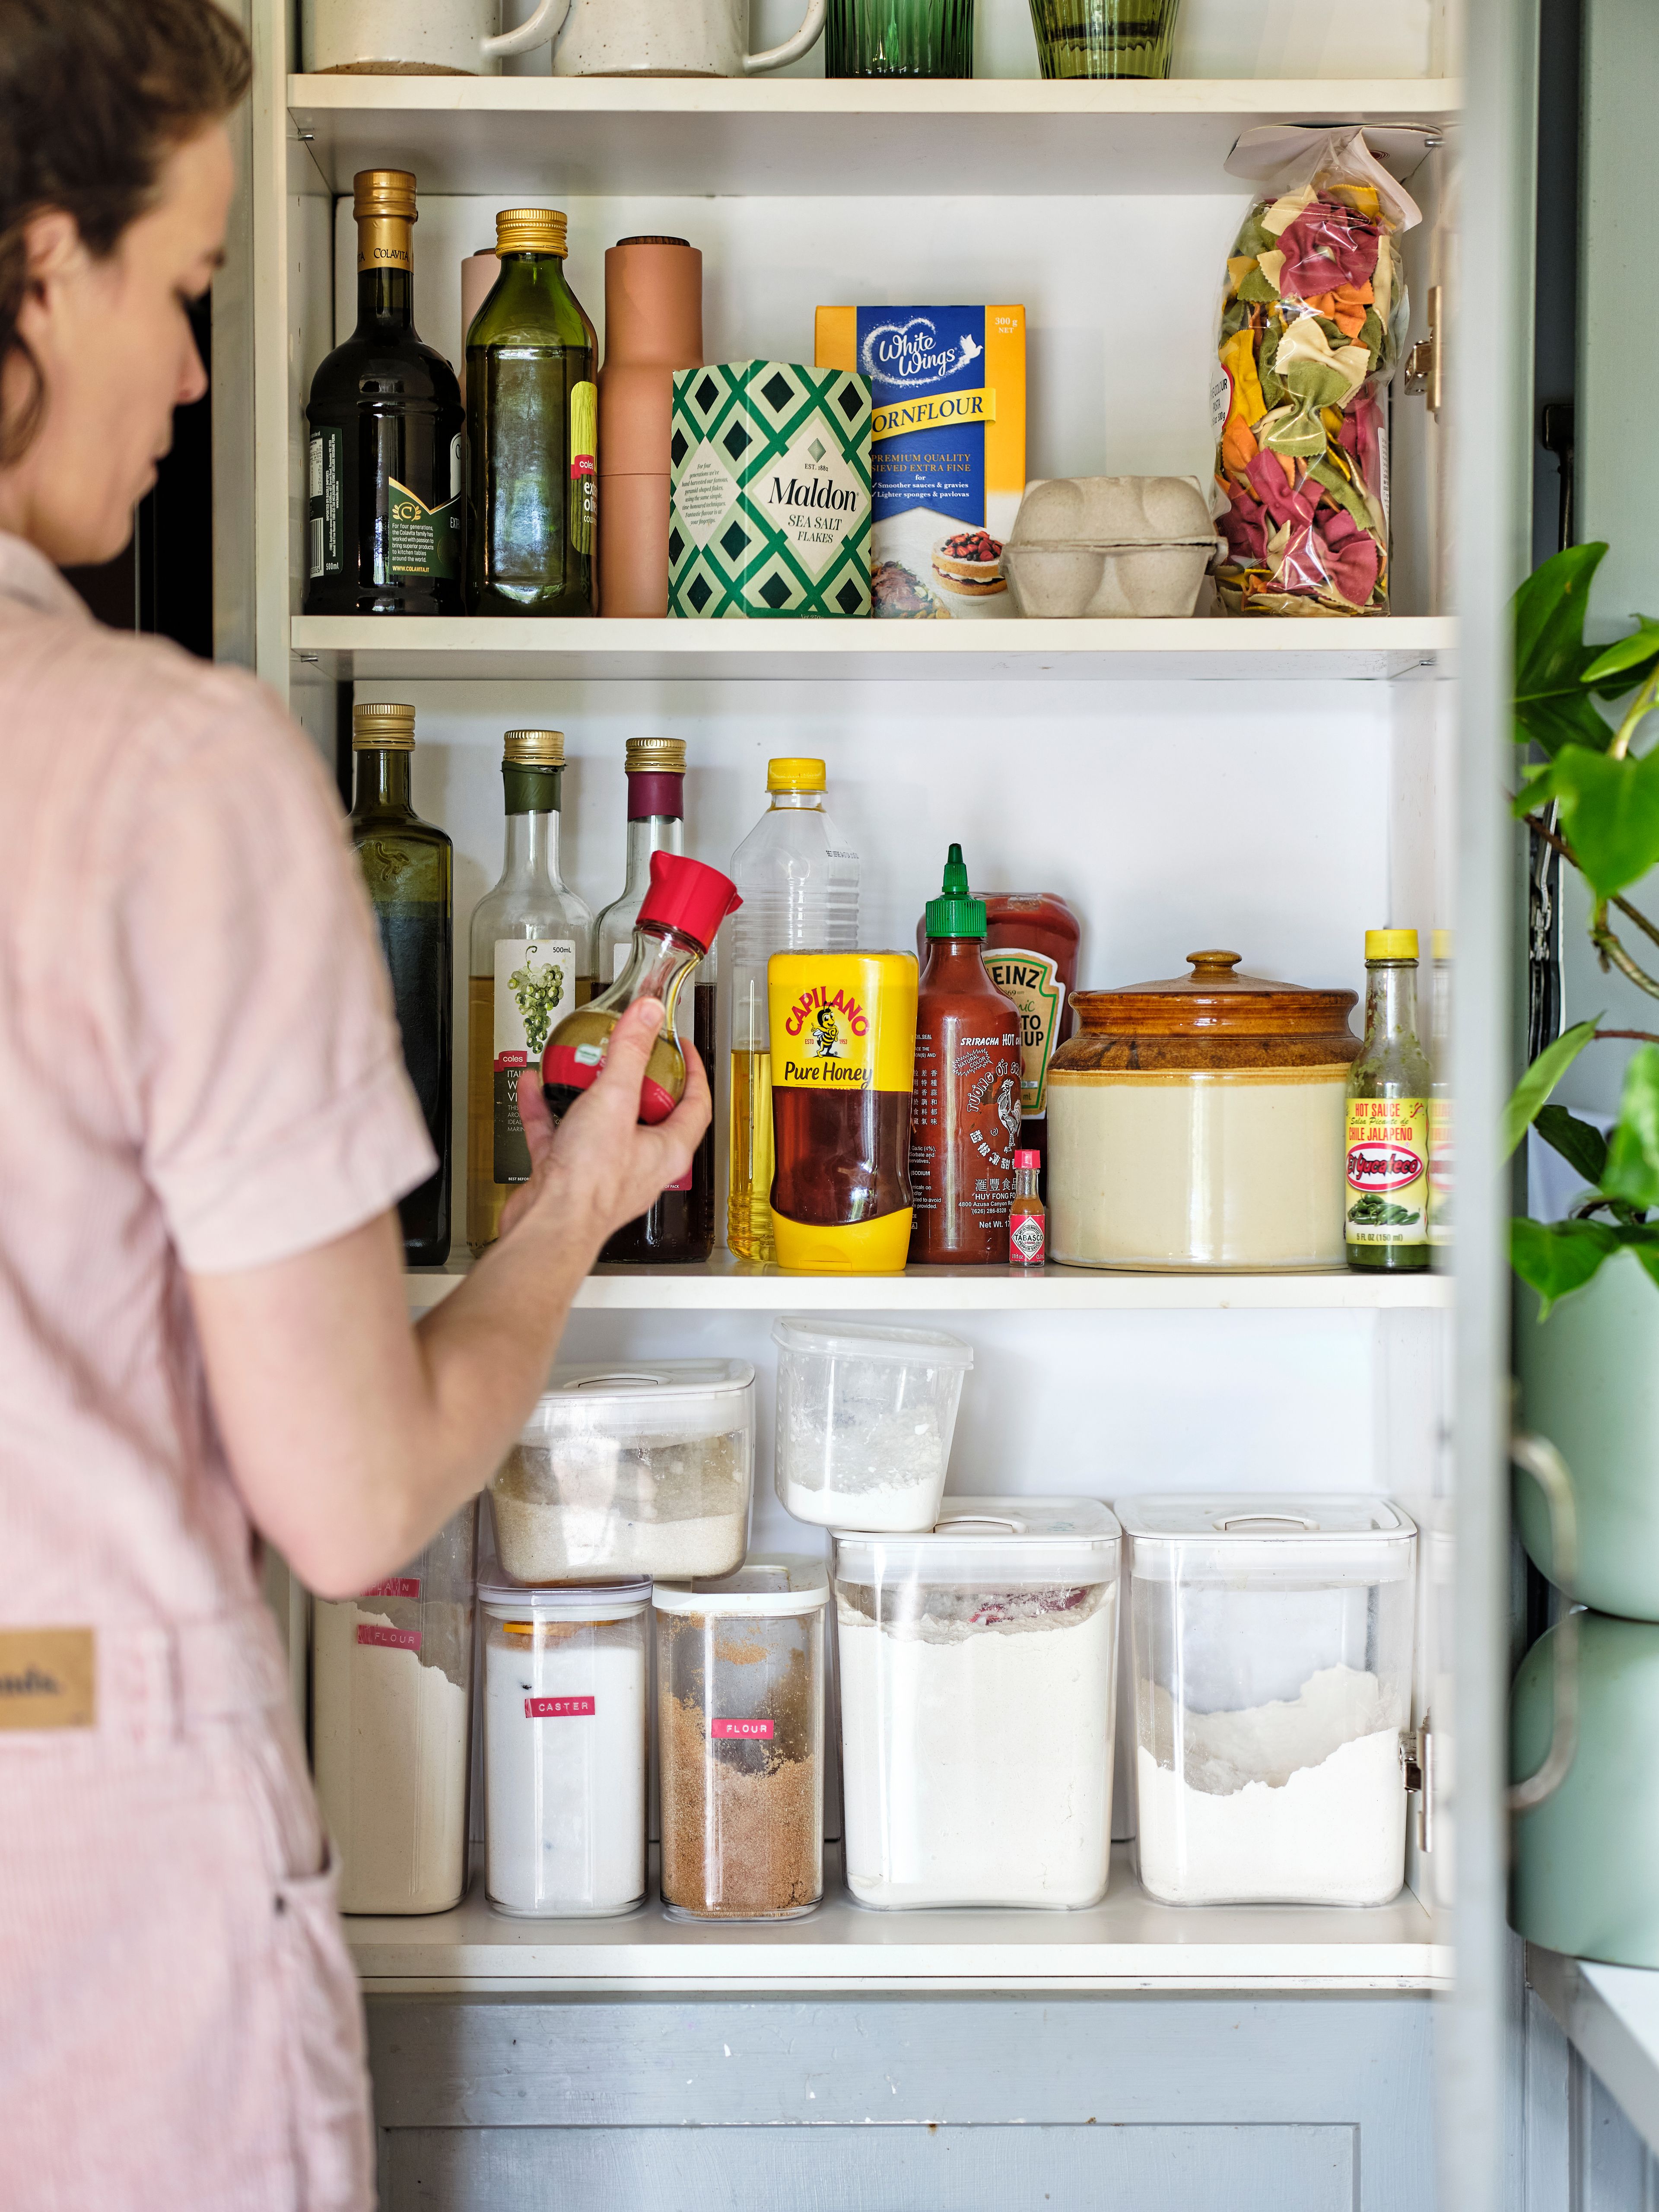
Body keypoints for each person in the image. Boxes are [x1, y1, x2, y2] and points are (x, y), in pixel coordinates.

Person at [0, 4, 710, 2206]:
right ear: (40, 272)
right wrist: (573, 1205)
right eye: (191, 291)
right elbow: (350, 1491)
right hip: (82, 1848)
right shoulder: (166, 768)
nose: (202, 378)